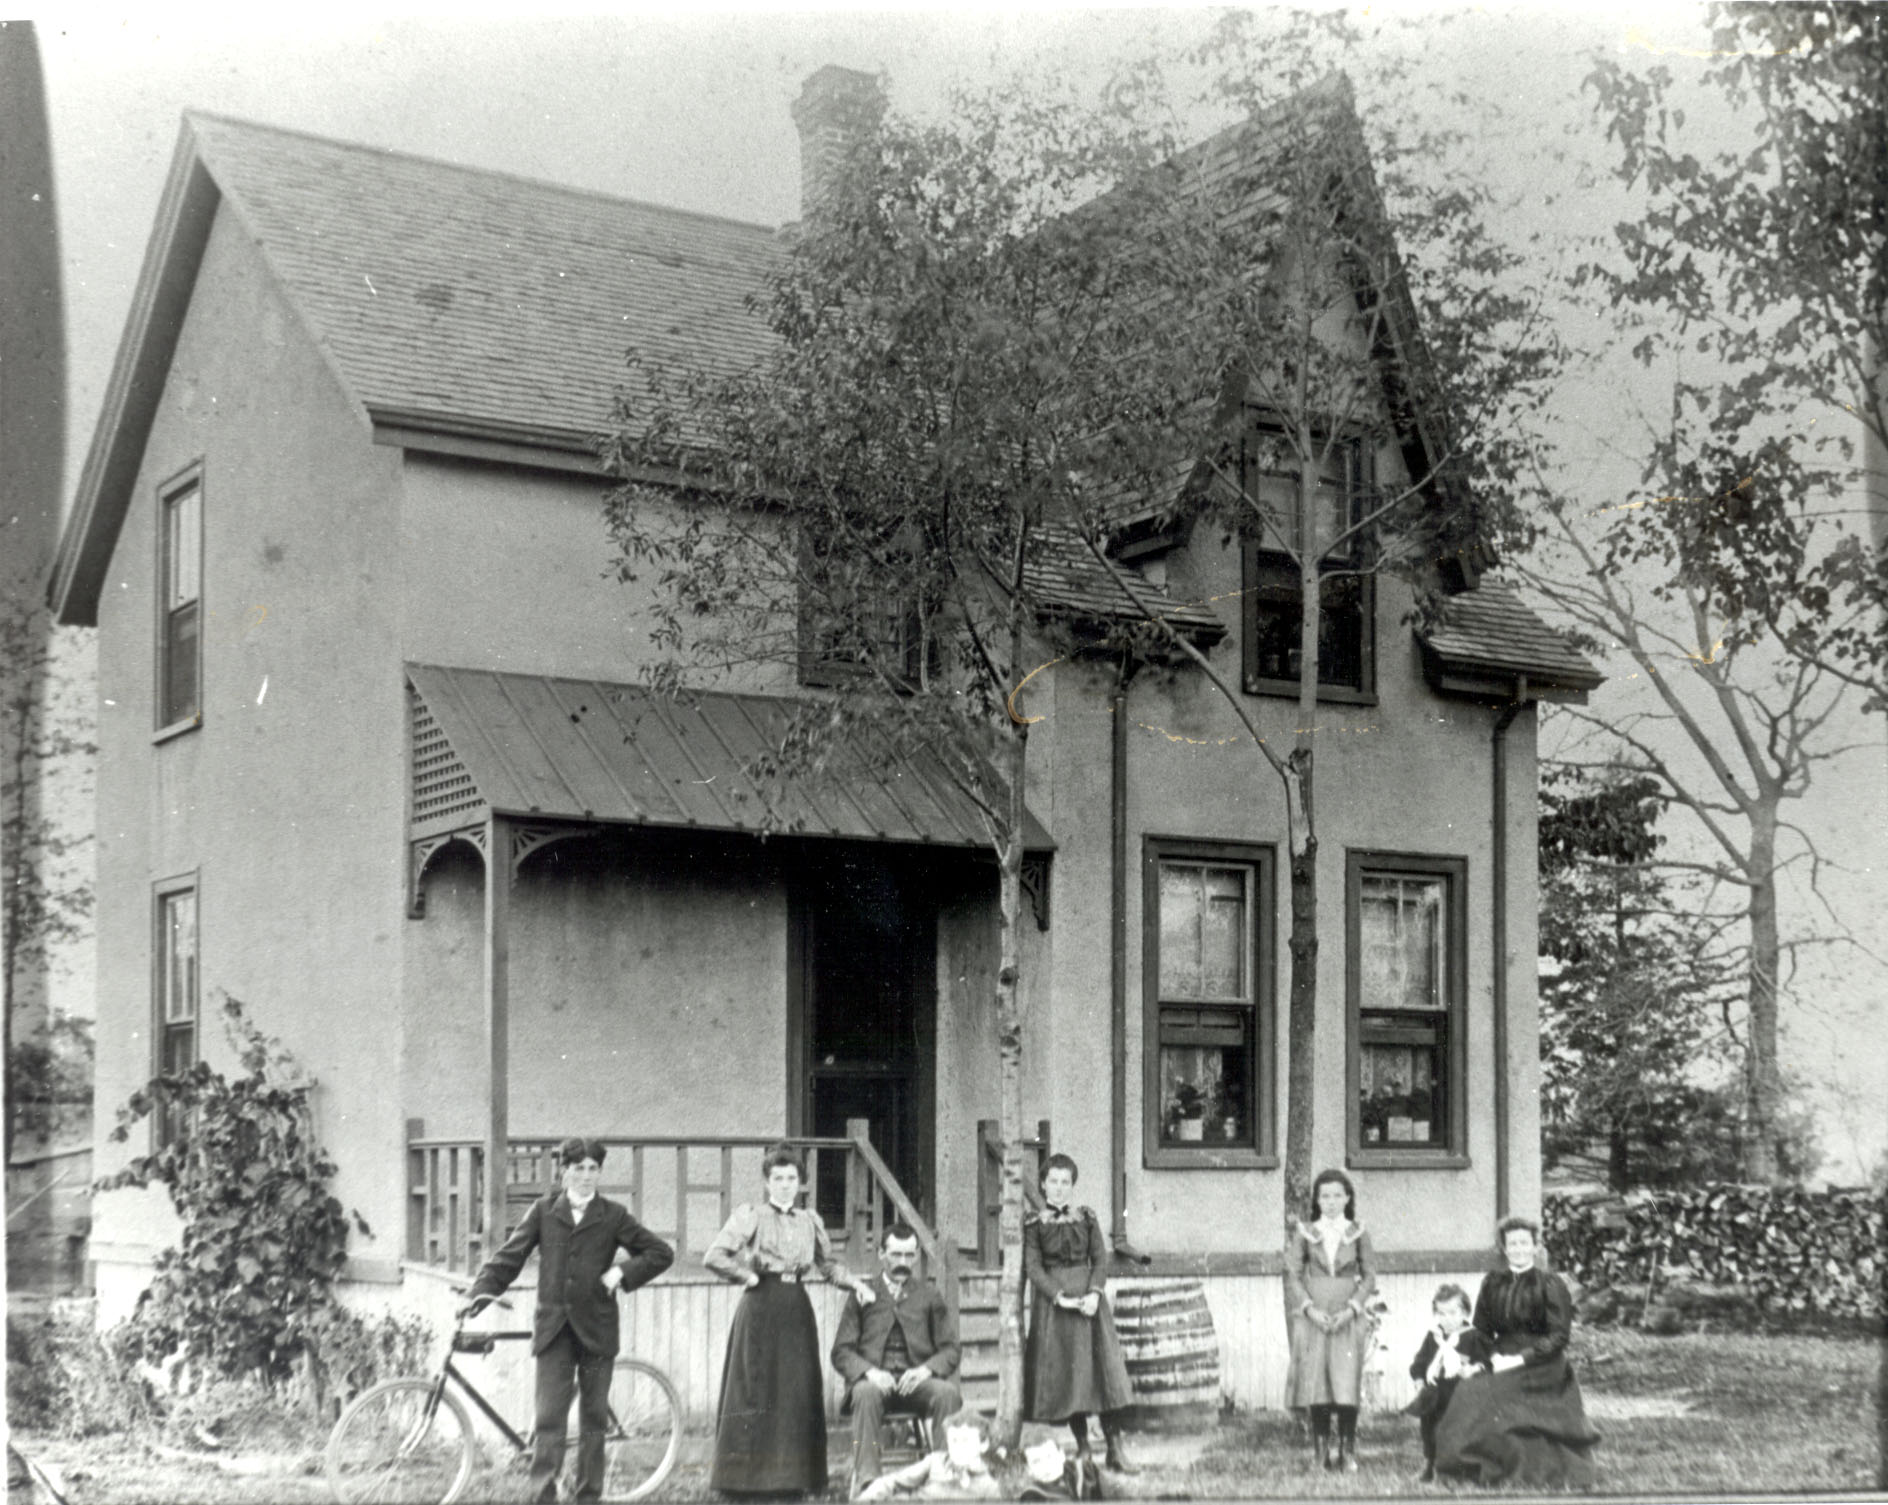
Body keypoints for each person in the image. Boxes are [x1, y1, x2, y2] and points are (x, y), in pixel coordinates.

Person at [459, 1136, 674, 1503]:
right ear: (564, 1171)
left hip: (597, 1328)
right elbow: (509, 1258)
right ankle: (543, 1495)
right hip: (554, 1330)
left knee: (594, 1419)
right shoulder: (544, 1212)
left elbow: (660, 1252)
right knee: (549, 1417)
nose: (586, 1176)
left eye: (593, 1169)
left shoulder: (613, 1215)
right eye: (578, 1168)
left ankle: (588, 1495)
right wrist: (475, 1297)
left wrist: (622, 1272)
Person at [704, 1142, 876, 1496]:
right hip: (759, 1307)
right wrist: (747, 1277)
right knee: (755, 1389)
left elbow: (827, 1266)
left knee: (795, 1391)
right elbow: (715, 1256)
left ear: (801, 1182)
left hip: (796, 1308)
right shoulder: (751, 1215)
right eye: (778, 1178)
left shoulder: (809, 1221)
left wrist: (856, 1283)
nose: (785, 1185)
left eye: (791, 1178)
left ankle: (794, 1479)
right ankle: (745, 1481)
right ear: (767, 1182)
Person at [1434, 1215, 1601, 1488]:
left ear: (1535, 1247)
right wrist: (1491, 1358)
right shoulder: (1492, 1282)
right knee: (1469, 1392)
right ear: (1504, 1248)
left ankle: (1522, 1468)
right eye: (1512, 1244)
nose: (1519, 1249)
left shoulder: (1550, 1283)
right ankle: (1471, 1467)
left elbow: (1559, 1336)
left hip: (1542, 1362)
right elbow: (1482, 1329)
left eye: (1524, 1243)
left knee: (1504, 1398)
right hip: (1499, 1355)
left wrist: (1520, 1359)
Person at [1023, 1153, 1138, 1474]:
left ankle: (1115, 1449)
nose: (1059, 1188)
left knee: (1104, 1375)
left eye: (1065, 1182)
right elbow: (1033, 1268)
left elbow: (1100, 1260)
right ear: (1043, 1185)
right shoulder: (1034, 1224)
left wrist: (1094, 1294)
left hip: (1090, 1307)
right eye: (1053, 1182)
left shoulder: (1086, 1217)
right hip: (1057, 1310)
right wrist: (1059, 1298)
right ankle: (1084, 1448)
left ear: (1072, 1185)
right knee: (1072, 1378)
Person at [832, 1222, 965, 1498]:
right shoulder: (862, 1293)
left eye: (909, 1255)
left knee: (947, 1393)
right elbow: (841, 1351)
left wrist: (925, 1370)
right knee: (865, 1393)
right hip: (874, 1386)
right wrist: (869, 1372)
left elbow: (951, 1349)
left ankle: (944, 1479)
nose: (903, 1262)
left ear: (916, 1256)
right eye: (896, 1254)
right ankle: (870, 1485)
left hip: (915, 1385)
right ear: (881, 1253)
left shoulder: (929, 1295)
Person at [1284, 1167, 1377, 1472]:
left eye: (1338, 1195)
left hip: (1347, 1315)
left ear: (1348, 1198)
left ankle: (1347, 1452)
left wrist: (1352, 1309)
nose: (1331, 1202)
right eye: (1325, 1196)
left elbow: (1369, 1276)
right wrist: (1309, 1309)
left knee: (1346, 1382)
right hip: (1315, 1316)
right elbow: (1293, 1275)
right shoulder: (1306, 1232)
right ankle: (1321, 1453)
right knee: (1318, 1383)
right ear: (1317, 1200)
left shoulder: (1358, 1232)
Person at [1404, 1283, 1490, 1484]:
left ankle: (1455, 1470)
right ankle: (1429, 1465)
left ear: (1465, 1312)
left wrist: (1473, 1368)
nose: (1447, 1319)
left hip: (1460, 1393)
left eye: (1453, 1313)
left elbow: (1485, 1361)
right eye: (1441, 1314)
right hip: (1434, 1392)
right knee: (1429, 1429)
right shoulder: (1434, 1336)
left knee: (1453, 1430)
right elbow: (1419, 1362)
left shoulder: (1473, 1336)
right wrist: (1419, 1380)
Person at [855, 1406, 1002, 1502]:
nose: (959, 1447)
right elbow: (892, 1482)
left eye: (965, 1441)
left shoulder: (989, 1487)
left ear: (983, 1445)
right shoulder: (936, 1462)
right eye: (954, 1441)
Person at [1016, 1423, 1102, 1501]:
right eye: (1036, 1461)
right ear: (1028, 1469)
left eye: (1049, 1457)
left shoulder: (1085, 1472)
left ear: (1062, 1455)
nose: (1046, 1466)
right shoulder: (1032, 1496)